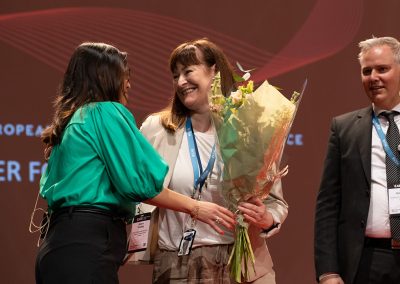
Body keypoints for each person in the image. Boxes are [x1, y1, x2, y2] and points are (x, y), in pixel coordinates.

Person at [34, 42, 236, 284]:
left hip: (60, 244)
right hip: (86, 245)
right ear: (106, 77)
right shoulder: (106, 112)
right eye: (125, 76)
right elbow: (145, 182)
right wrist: (196, 207)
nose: (128, 84)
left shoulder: (76, 117)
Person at [140, 38, 288, 284]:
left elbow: (275, 203)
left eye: (188, 72)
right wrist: (194, 207)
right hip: (176, 264)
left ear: (214, 72)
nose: (180, 82)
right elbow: (141, 188)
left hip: (239, 266)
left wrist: (266, 219)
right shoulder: (156, 129)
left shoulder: (248, 130)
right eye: (175, 76)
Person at [314, 36, 400, 284]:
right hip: (366, 259)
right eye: (367, 71)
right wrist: (328, 271)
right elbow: (327, 205)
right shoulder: (344, 128)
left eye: (382, 69)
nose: (374, 77)